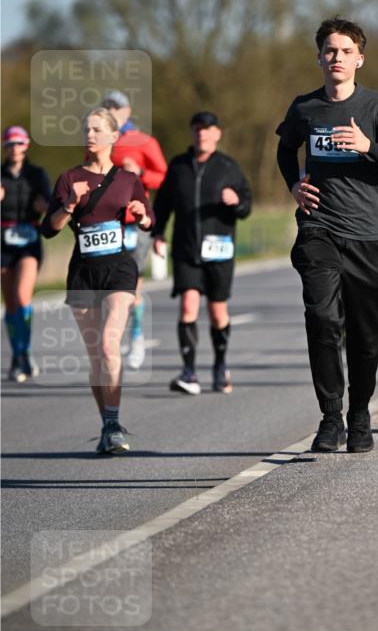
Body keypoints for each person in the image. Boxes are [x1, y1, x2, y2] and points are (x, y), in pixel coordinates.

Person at [276, 17, 378, 453]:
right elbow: (285, 150)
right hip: (319, 227)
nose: (336, 57)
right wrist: (293, 184)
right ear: (319, 57)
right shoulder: (304, 108)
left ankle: (360, 415)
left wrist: (367, 147)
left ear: (360, 58)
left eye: (345, 51)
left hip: (367, 234)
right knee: (321, 317)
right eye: (329, 50)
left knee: (364, 334)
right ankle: (330, 417)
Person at [42, 108, 153, 453]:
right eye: (85, 129)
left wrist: (142, 216)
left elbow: (150, 219)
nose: (89, 135)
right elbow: (49, 228)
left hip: (119, 267)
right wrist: (70, 205)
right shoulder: (69, 178)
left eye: (96, 129)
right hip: (83, 272)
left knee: (108, 344)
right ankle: (107, 424)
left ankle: (115, 422)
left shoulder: (127, 178)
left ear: (112, 137)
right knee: (95, 357)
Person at [152, 111, 252, 395]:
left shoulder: (228, 167)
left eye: (208, 130)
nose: (202, 134)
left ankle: (220, 366)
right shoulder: (178, 166)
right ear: (192, 132)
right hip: (186, 249)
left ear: (217, 134)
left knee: (218, 311)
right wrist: (158, 232)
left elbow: (247, 204)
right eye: (197, 129)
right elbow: (163, 204)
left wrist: (237, 202)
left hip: (219, 249)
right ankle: (189, 372)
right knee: (187, 306)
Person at [103, 90, 168, 369]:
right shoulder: (101, 139)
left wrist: (140, 174)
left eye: (118, 108)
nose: (114, 112)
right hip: (108, 221)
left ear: (128, 111)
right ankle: (113, 337)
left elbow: (163, 175)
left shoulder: (144, 141)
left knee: (133, 284)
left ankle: (137, 336)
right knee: (110, 285)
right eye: (109, 107)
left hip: (137, 222)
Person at [1, 125, 51, 381]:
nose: (14, 149)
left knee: (23, 297)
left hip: (29, 240)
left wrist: (43, 204)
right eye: (10, 144)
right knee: (9, 304)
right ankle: (17, 356)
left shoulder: (37, 174)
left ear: (27, 145)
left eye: (19, 144)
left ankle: (25, 351)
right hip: (3, 242)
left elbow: (51, 201)